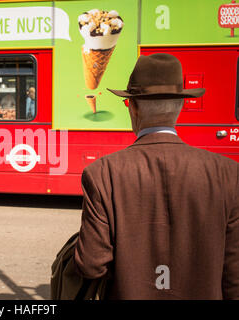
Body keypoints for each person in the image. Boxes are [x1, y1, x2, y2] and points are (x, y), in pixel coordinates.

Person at [73, 53, 239, 299]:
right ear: (181, 106)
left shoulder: (102, 174)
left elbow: (90, 264)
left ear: (134, 107)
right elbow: (234, 275)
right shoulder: (228, 174)